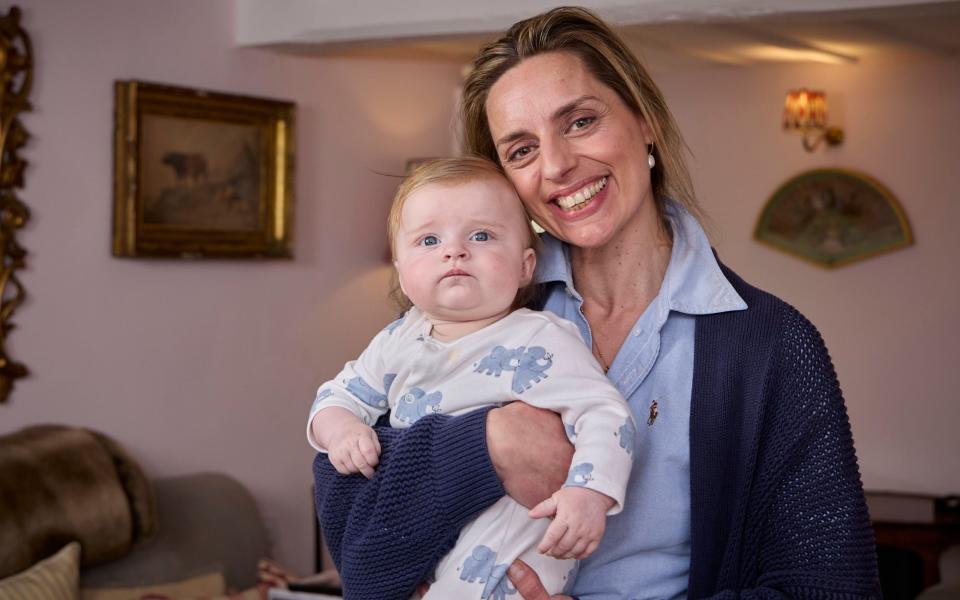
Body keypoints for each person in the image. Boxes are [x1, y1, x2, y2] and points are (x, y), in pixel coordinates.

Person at [314, 7, 880, 600]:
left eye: (580, 122)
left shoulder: (769, 344)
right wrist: (486, 444)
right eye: (522, 149)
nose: (557, 165)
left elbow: (830, 588)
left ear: (645, 121)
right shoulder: (461, 316)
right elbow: (358, 549)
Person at [307, 157, 635, 599]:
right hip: (425, 547)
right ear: (402, 274)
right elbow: (336, 397)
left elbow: (604, 413)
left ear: (525, 267)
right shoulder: (397, 340)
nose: (454, 251)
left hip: (509, 555)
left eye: (481, 236)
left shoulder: (540, 339)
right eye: (428, 239)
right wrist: (343, 429)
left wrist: (589, 493)